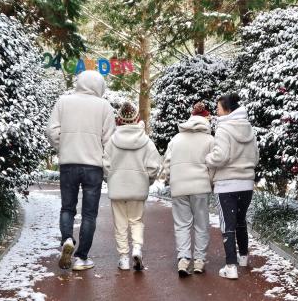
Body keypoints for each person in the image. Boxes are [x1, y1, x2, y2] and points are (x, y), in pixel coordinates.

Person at [46, 70, 116, 271]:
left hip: (68, 163)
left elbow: (51, 131)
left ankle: (67, 239)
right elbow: (109, 141)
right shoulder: (104, 106)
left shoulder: (63, 102)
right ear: (99, 86)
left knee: (67, 208)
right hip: (93, 166)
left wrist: (63, 147)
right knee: (89, 214)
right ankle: (82, 258)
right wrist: (105, 162)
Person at [205, 93, 259, 280]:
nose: (216, 112)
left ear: (227, 110)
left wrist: (207, 159)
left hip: (226, 184)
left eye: (218, 108)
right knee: (241, 221)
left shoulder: (223, 129)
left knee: (227, 225)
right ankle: (243, 257)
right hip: (246, 183)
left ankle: (231, 266)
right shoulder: (249, 129)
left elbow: (220, 157)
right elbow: (256, 157)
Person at [103, 102, 161, 271]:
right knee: (136, 221)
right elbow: (154, 166)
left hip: (117, 188)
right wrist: (147, 181)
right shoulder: (146, 141)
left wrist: (110, 179)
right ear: (137, 119)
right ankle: (137, 248)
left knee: (120, 223)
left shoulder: (112, 142)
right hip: (138, 188)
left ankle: (123, 258)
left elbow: (105, 166)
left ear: (119, 120)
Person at [161, 102, 215, 277]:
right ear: (206, 120)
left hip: (179, 186)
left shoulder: (176, 139)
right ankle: (199, 260)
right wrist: (211, 183)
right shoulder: (210, 140)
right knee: (201, 224)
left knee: (182, 224)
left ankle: (183, 259)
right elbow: (212, 166)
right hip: (201, 187)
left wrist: (171, 180)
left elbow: (167, 163)